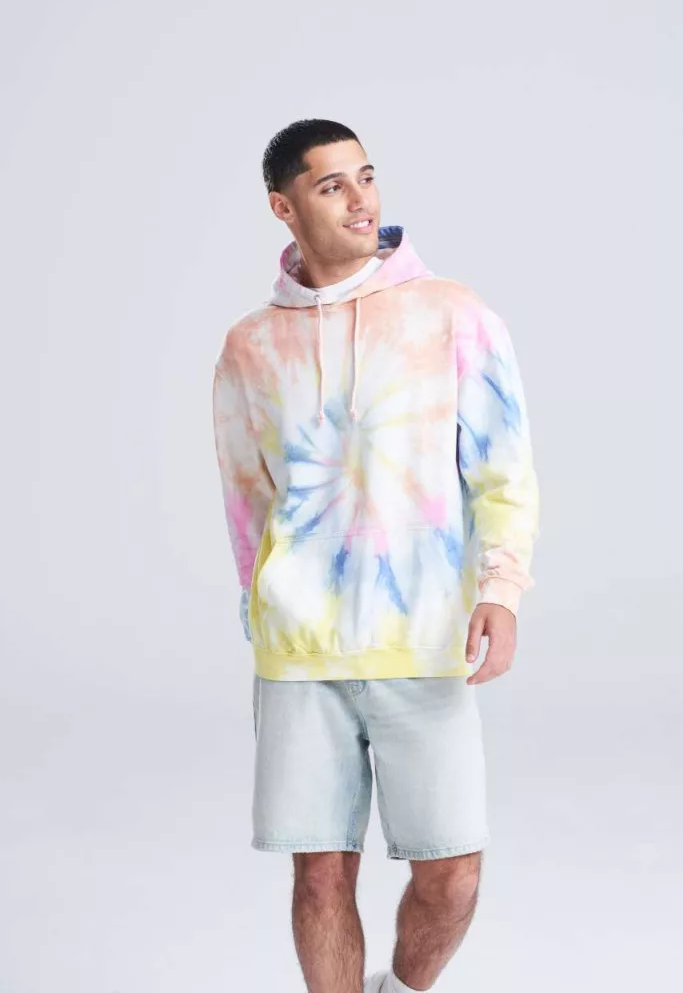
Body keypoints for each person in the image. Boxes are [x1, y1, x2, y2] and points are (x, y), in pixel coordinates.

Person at [212, 119, 540, 993]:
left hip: (422, 641)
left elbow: (504, 470)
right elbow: (246, 499)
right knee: (319, 875)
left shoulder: (451, 314)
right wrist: (262, 612)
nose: (360, 199)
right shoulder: (251, 345)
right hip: (300, 654)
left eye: (365, 176)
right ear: (283, 207)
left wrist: (501, 589)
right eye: (331, 186)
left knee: (452, 874)